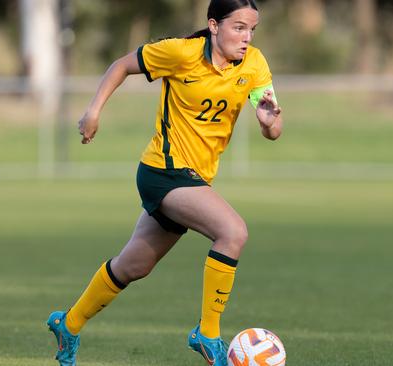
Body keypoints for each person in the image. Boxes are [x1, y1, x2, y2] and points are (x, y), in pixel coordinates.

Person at [46, 1, 282, 365]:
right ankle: (208, 333)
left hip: (195, 178)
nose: (247, 37)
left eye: (252, 29)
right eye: (238, 28)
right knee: (233, 231)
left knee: (133, 266)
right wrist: (94, 110)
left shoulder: (254, 64)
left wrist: (268, 122)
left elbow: (274, 129)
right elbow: (121, 65)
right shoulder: (180, 53)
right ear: (214, 25)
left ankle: (69, 323)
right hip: (162, 172)